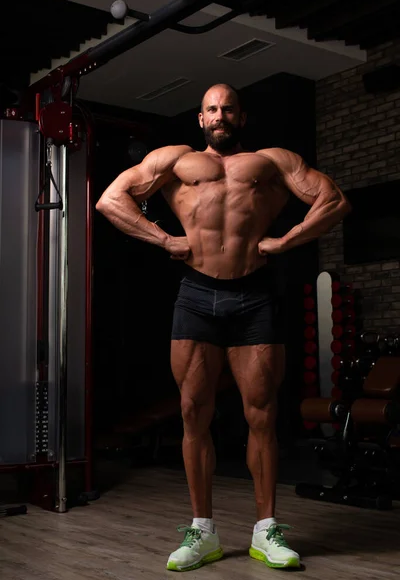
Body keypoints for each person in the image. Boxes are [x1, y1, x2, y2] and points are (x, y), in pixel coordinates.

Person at [96, 83, 351, 572]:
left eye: (228, 108)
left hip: (253, 296)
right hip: (195, 294)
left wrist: (289, 239)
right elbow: (111, 200)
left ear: (242, 116)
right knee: (194, 411)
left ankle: (266, 532)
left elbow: (334, 201)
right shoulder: (175, 161)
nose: (220, 115)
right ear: (200, 118)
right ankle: (202, 531)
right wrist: (161, 238)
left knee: (262, 414)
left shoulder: (271, 163)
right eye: (212, 108)